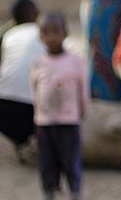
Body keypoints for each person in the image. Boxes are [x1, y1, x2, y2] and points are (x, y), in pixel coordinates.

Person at [31, 13, 89, 200]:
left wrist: (84, 110)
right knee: (47, 162)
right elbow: (35, 91)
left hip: (68, 120)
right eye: (46, 32)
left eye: (56, 31)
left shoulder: (76, 61)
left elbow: (83, 89)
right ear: (40, 37)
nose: (51, 37)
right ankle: (49, 192)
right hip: (44, 122)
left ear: (65, 33)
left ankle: (75, 192)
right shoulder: (38, 63)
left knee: (71, 161)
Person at [0, 0, 45, 161]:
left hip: (3, 110)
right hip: (36, 114)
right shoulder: (47, 33)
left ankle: (20, 143)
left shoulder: (8, 35)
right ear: (35, 13)